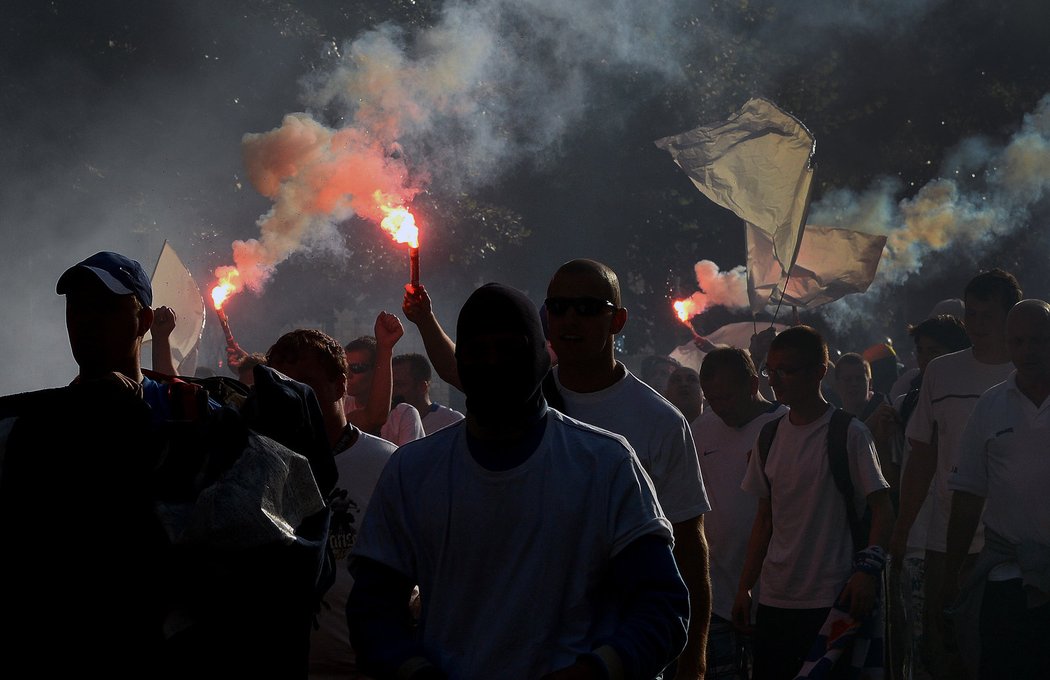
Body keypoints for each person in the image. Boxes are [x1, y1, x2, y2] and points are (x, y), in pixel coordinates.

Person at [347, 282, 689, 679]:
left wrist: (594, 671)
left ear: (541, 356)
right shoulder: (413, 471)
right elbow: (372, 611)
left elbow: (662, 607)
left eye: (509, 349)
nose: (494, 364)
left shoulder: (604, 463)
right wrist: (417, 672)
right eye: (478, 351)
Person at [732, 325, 894, 680]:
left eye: (786, 370)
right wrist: (746, 585)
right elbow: (765, 517)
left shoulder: (849, 433)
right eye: (770, 371)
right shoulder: (769, 436)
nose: (775, 380)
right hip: (775, 598)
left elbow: (882, 507)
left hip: (832, 597)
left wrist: (868, 571)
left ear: (819, 372)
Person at [890, 268, 1022, 680]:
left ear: (1010, 316)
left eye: (987, 316)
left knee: (1005, 651)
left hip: (1016, 544)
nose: (977, 325)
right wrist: (901, 528)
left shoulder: (1029, 372)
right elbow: (923, 458)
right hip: (946, 538)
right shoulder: (941, 372)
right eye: (972, 314)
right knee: (942, 648)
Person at [264, 329, 398, 679]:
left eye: (306, 384)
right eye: (281, 384)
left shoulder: (386, 465)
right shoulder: (257, 467)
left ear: (339, 385)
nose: (293, 396)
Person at [942, 299, 1050, 680]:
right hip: (1006, 580)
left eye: (1038, 341)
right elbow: (968, 496)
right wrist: (953, 572)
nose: (1028, 351)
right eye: (1018, 341)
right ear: (1008, 344)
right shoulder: (991, 406)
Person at [883, 313, 970, 679]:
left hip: (956, 538)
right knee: (917, 645)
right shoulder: (906, 398)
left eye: (934, 351)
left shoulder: (968, 397)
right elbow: (896, 471)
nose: (924, 360)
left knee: (954, 642)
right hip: (915, 536)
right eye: (920, 351)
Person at [694, 348, 787, 679]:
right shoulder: (701, 429)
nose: (720, 408)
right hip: (717, 591)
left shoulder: (785, 425)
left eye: (727, 398)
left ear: (751, 384)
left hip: (778, 593)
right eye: (711, 399)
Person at [344, 312, 425, 446]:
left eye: (357, 367)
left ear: (378, 371)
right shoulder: (342, 407)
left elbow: (408, 463)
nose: (349, 375)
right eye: (345, 368)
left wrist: (385, 348)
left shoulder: (404, 414)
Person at [392, 352, 464, 434]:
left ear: (422, 387)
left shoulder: (452, 422)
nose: (392, 391)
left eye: (399, 385)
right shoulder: (387, 422)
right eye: (389, 385)